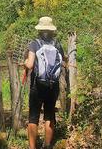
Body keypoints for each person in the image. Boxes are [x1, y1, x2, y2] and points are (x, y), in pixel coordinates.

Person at [24, 16, 65, 149]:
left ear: (40, 30)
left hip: (37, 86)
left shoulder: (35, 43)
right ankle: (47, 145)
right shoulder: (57, 44)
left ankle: (32, 147)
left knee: (33, 117)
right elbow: (62, 61)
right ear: (52, 30)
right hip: (53, 86)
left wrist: (25, 62)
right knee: (49, 115)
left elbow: (29, 65)